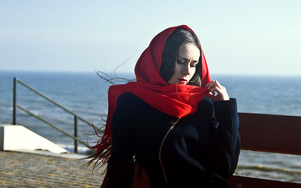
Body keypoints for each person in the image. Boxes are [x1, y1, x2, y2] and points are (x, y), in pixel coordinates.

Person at [91, 25, 240, 188]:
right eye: (180, 61)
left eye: (193, 64)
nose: (187, 71)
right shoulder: (132, 104)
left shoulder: (203, 103)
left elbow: (225, 168)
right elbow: (121, 168)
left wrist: (226, 108)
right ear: (160, 59)